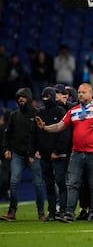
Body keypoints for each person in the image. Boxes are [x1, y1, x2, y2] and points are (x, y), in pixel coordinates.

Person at [35, 83, 93, 223]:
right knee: (72, 183)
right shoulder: (73, 111)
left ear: (91, 94)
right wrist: (45, 128)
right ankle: (69, 213)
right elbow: (59, 126)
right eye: (79, 92)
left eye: (84, 92)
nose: (80, 94)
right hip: (76, 153)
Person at [1, 88, 45, 221]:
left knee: (38, 184)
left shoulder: (38, 113)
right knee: (13, 182)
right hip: (18, 154)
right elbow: (7, 135)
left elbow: (43, 134)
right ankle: (12, 212)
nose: (20, 99)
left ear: (29, 98)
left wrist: (39, 150)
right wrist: (6, 149)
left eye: (23, 97)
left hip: (32, 155)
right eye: (18, 97)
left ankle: (41, 212)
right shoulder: (14, 115)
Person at [32, 87, 68, 221]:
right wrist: (33, 150)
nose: (45, 99)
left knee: (60, 181)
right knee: (49, 184)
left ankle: (63, 210)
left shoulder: (61, 111)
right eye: (43, 96)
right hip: (44, 154)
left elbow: (64, 133)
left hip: (58, 155)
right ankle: (52, 212)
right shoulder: (40, 112)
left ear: (52, 96)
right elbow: (34, 133)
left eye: (48, 96)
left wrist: (57, 151)